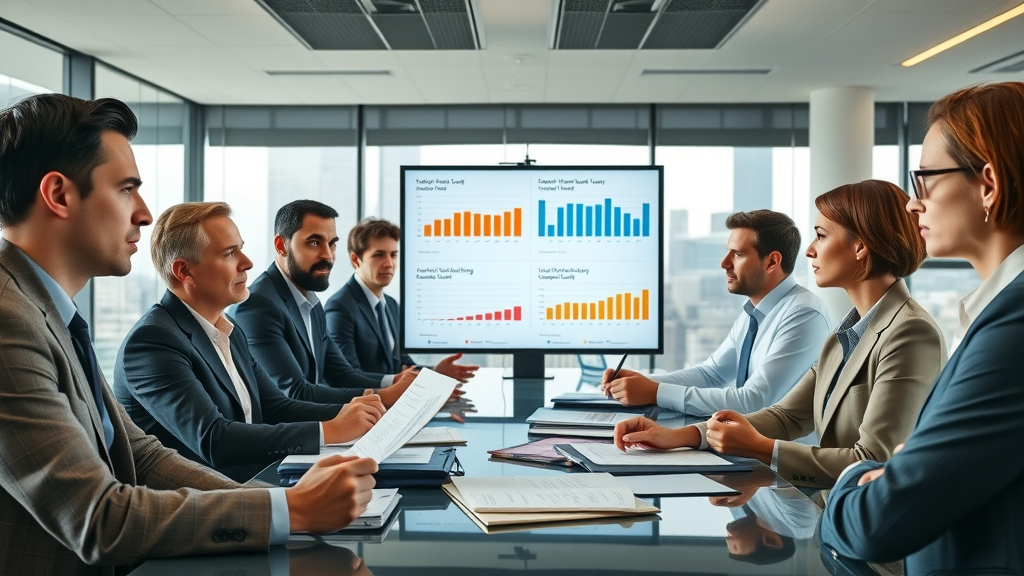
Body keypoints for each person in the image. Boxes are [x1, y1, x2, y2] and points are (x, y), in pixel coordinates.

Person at [0, 94, 377, 574]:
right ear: (58, 195)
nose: (143, 212)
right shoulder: (10, 319)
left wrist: (283, 503)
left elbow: (141, 454)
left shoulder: (49, 311)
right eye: (126, 189)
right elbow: (97, 518)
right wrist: (288, 510)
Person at [614, 180, 946, 488]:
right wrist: (682, 436)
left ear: (860, 246)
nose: (809, 251)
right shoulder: (846, 333)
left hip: (869, 533)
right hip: (832, 515)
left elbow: (873, 460)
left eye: (821, 235)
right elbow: (786, 416)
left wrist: (762, 449)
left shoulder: (910, 334)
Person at [822, 82, 1024, 574]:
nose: (914, 205)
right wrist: (900, 470)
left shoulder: (1014, 326)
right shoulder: (993, 313)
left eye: (925, 181)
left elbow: (876, 523)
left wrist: (860, 477)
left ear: (989, 184)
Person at [114, 202, 386, 482]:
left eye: (241, 248)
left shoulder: (230, 331)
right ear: (184, 271)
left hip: (248, 483)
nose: (247, 262)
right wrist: (329, 430)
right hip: (198, 507)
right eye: (230, 253)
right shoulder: (153, 342)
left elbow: (276, 407)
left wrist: (354, 413)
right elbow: (214, 440)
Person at [601, 210, 832, 415]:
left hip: (780, 461)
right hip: (745, 449)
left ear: (772, 262)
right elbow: (711, 375)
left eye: (738, 254)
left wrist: (656, 392)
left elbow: (755, 401)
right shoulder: (753, 313)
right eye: (727, 252)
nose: (724, 263)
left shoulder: (804, 315)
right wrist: (641, 382)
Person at [233, 201, 417, 408]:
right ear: (281, 245)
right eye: (314, 243)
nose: (328, 256)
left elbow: (342, 375)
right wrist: (383, 396)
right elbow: (295, 392)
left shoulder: (311, 302)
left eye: (332, 244)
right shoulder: (258, 306)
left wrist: (394, 382)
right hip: (290, 436)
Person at [324, 217, 478, 384]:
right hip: (364, 406)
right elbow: (346, 376)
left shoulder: (390, 305)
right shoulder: (339, 307)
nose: (389, 263)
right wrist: (396, 381)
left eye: (393, 255)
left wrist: (435, 371)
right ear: (355, 259)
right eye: (379, 255)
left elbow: (402, 364)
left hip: (394, 403)